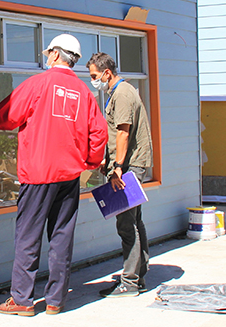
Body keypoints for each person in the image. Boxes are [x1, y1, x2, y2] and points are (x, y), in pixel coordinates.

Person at [0, 34, 108, 316]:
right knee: (61, 236)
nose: (47, 57)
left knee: (28, 237)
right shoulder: (84, 92)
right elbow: (99, 133)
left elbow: (8, 115)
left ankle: (22, 300)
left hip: (38, 175)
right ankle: (55, 300)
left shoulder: (37, 84)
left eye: (49, 53)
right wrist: (89, 162)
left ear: (58, 55)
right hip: (69, 176)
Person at [86, 52, 153, 297]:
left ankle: (130, 282)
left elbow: (123, 133)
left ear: (106, 72)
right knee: (135, 221)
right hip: (128, 163)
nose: (94, 80)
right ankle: (138, 276)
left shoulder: (122, 94)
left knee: (126, 225)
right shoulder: (120, 92)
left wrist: (117, 168)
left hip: (128, 167)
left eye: (95, 76)